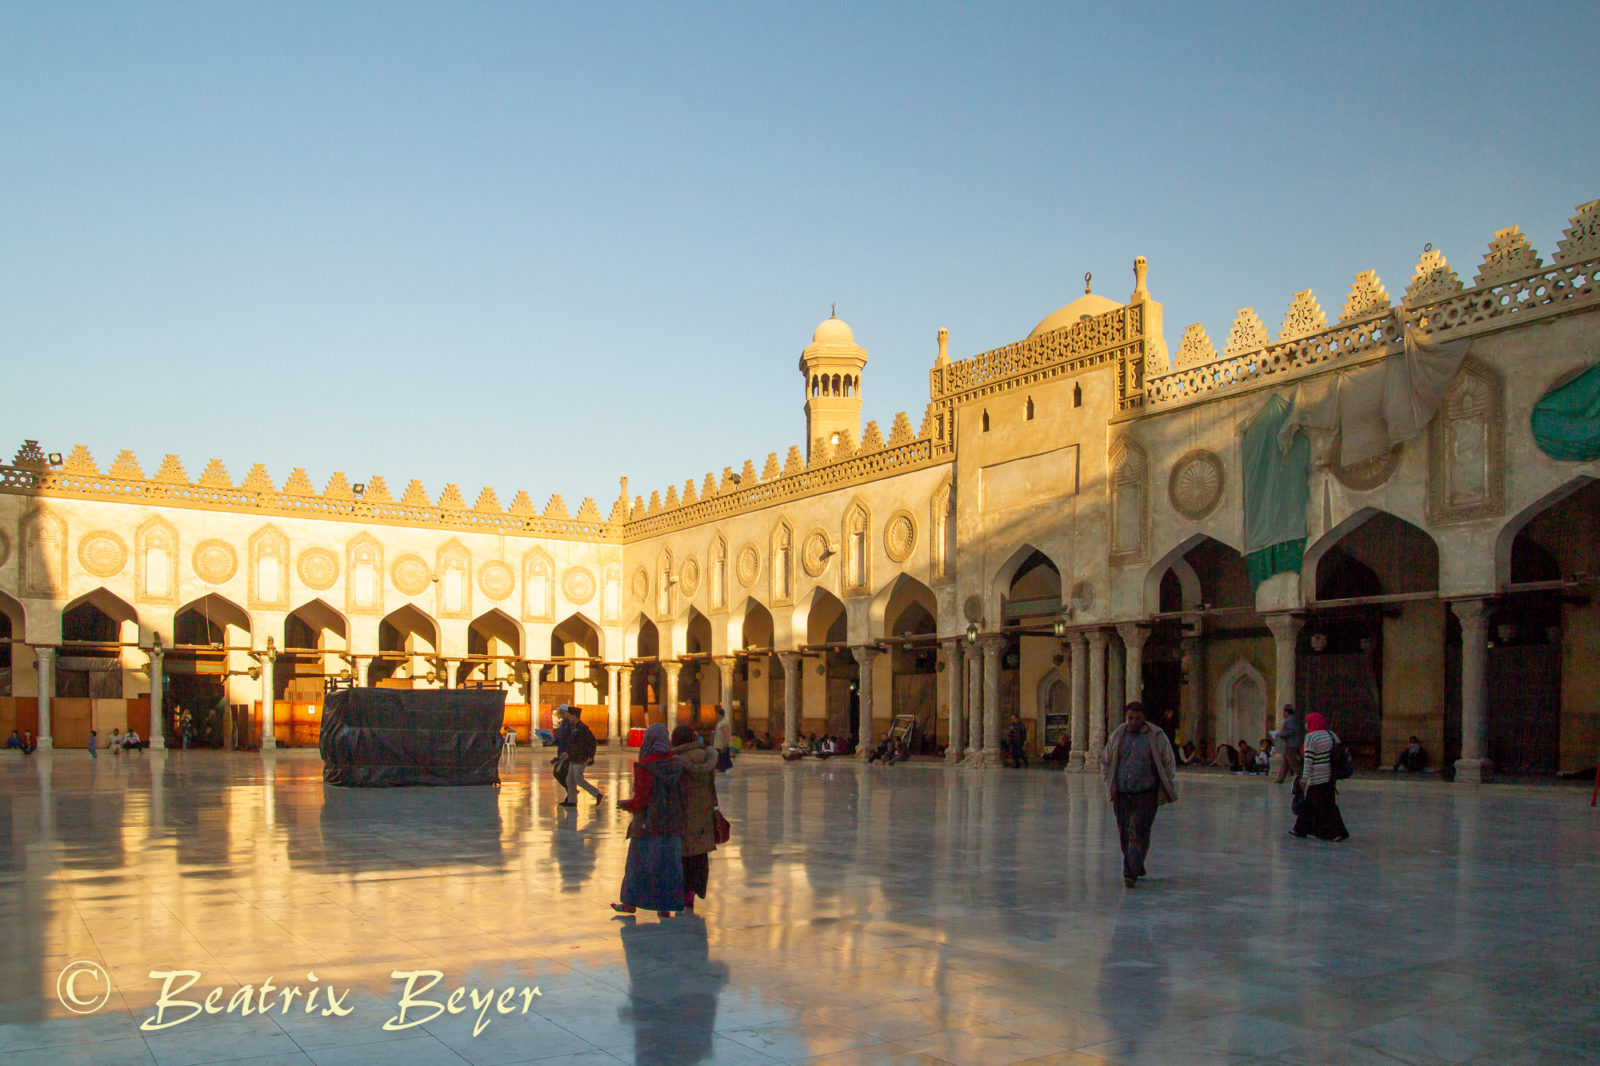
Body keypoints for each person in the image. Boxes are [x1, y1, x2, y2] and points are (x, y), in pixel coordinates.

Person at [1101, 702, 1179, 889]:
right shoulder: (1119, 734)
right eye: (1130, 718)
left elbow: (1168, 762)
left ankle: (1129, 874)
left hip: (1145, 794)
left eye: (1137, 718)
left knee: (1138, 833)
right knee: (1125, 835)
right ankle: (1136, 864)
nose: (1133, 722)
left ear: (1144, 717)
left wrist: (1164, 784)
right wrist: (1109, 783)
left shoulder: (1156, 735)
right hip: (1122, 794)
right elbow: (1106, 759)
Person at [612, 723, 686, 918]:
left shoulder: (646, 765)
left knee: (638, 865)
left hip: (650, 824)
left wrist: (626, 805)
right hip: (672, 823)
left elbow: (641, 800)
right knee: (669, 867)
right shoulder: (676, 764)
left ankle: (629, 903)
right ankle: (665, 908)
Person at [671, 724, 719, 912]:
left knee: (685, 854)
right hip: (704, 811)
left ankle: (683, 893)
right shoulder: (707, 758)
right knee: (700, 853)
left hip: (685, 811)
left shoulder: (677, 761)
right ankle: (695, 891)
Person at [1292, 712, 1349, 842]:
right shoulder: (1331, 735)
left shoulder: (1311, 737)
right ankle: (1300, 829)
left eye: (1307, 722)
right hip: (1330, 777)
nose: (1306, 725)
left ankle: (1337, 832)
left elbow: (1309, 760)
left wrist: (1304, 779)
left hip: (1317, 778)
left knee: (1321, 806)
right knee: (1322, 804)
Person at [561, 706, 603, 806]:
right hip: (573, 757)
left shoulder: (582, 728)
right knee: (569, 779)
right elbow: (573, 743)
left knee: (578, 779)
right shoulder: (574, 727)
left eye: (569, 716)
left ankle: (596, 794)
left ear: (574, 716)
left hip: (580, 758)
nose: (568, 718)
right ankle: (572, 801)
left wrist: (590, 756)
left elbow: (588, 743)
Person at [1272, 705, 1303, 784]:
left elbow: (1292, 730)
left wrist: (1282, 734)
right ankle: (1281, 778)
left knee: (1292, 761)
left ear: (1286, 712)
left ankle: (1301, 776)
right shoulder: (1293, 719)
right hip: (1291, 744)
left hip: (1291, 744)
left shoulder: (1289, 720)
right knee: (1285, 762)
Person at [712, 707, 733, 772]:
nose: (716, 716)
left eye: (717, 715)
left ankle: (722, 769)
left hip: (721, 745)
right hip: (718, 744)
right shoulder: (720, 722)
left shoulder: (724, 723)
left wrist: (725, 745)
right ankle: (720, 768)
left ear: (720, 715)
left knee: (722, 759)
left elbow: (726, 735)